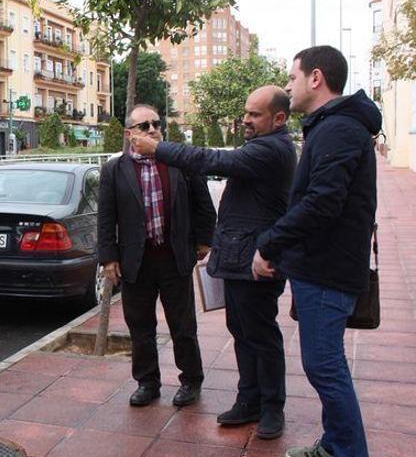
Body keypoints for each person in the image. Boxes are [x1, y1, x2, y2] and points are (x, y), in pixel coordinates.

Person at [129, 86, 297, 440]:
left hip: (257, 260)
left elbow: (214, 161)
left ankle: (271, 409)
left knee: (261, 336)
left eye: (254, 115)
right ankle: (249, 400)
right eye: (246, 112)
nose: (246, 120)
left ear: (279, 118)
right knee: (242, 333)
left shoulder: (273, 149)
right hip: (238, 259)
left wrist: (158, 149)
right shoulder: (261, 144)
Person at [252, 46, 380, 457]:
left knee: (325, 365)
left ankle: (346, 450)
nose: (288, 86)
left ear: (316, 78)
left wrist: (269, 244)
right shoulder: (332, 125)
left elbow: (322, 202)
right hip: (321, 266)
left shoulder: (338, 128)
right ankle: (335, 444)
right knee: (324, 363)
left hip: (328, 269)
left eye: (292, 77)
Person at [97, 104, 216, 407]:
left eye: (156, 124)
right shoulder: (115, 169)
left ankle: (191, 380)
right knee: (140, 327)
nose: (152, 129)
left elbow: (203, 203)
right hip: (136, 262)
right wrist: (108, 259)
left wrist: (204, 240)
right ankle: (147, 382)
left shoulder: (179, 163)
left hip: (175, 257)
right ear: (129, 134)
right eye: (144, 126)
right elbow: (106, 217)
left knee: (183, 325)